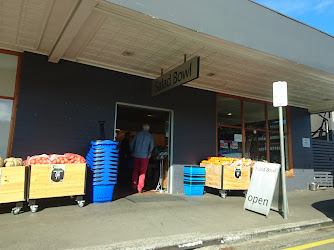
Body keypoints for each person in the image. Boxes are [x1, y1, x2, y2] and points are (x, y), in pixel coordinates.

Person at [131, 123, 154, 193]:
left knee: (135, 171)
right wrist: (149, 153)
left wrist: (132, 152)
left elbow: (132, 144)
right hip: (144, 156)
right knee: (143, 172)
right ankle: (140, 188)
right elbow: (152, 145)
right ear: (148, 129)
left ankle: (133, 186)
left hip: (136, 155)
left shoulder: (137, 134)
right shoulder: (150, 136)